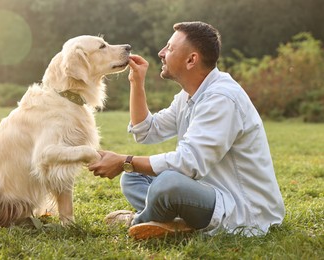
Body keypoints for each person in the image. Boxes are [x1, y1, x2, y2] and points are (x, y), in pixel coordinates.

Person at [88, 21, 285, 239]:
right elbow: (146, 131)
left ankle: (138, 222)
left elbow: (187, 164)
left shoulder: (221, 99)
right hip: (204, 192)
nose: (161, 53)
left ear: (191, 60)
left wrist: (123, 160)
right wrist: (137, 82)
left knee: (168, 183)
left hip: (243, 210)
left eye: (170, 48)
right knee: (133, 177)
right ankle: (175, 224)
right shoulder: (189, 96)